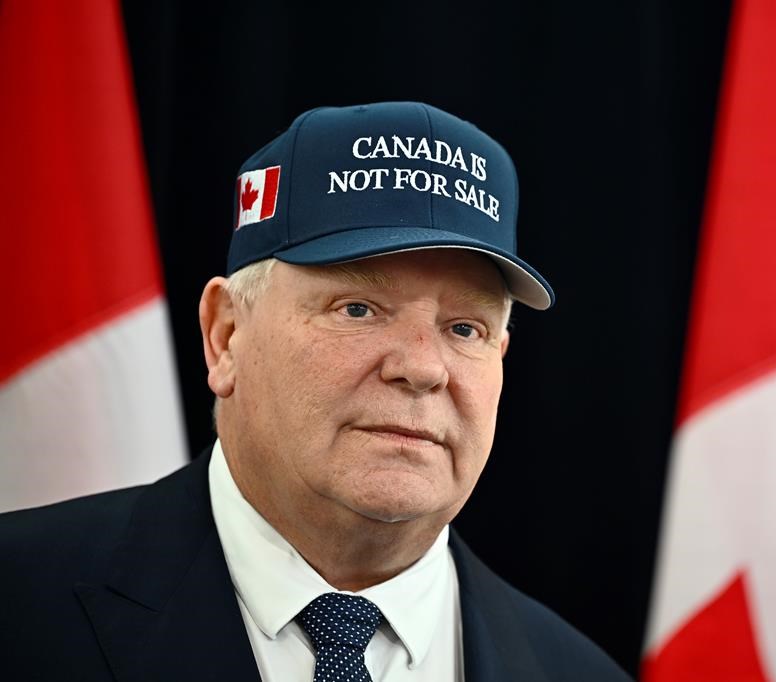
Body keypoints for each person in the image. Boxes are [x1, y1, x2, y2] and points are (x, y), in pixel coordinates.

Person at [0, 102, 632, 681]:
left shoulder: (579, 673)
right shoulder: (20, 605)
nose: (422, 368)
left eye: (464, 328)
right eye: (357, 308)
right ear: (226, 337)